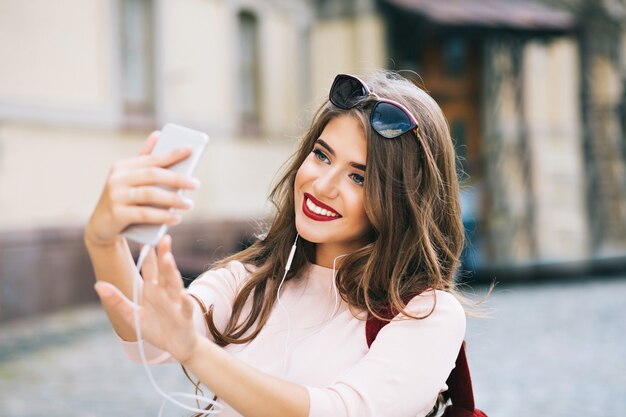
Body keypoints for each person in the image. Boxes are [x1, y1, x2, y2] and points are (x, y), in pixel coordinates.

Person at [85, 70, 469, 417]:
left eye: (359, 178)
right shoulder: (249, 280)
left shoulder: (426, 314)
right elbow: (148, 335)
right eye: (321, 156)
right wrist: (103, 240)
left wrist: (194, 351)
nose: (322, 185)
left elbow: (339, 412)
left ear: (403, 202)